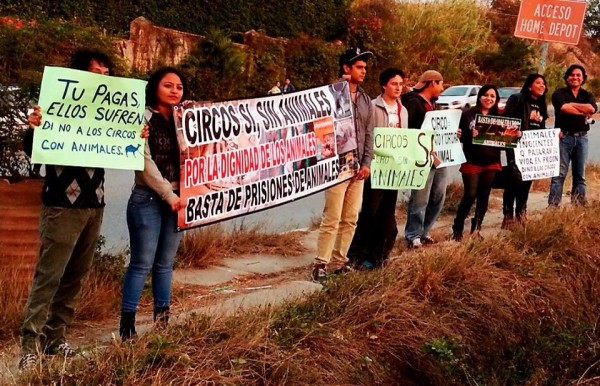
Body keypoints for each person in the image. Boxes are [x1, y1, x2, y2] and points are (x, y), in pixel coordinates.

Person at [19, 50, 113, 370]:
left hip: (93, 205)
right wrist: (34, 128)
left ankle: (55, 340)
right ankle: (28, 346)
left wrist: (133, 136)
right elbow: (34, 151)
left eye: (105, 74)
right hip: (61, 205)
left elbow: (122, 152)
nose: (102, 78)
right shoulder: (56, 108)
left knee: (75, 278)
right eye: (95, 72)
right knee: (49, 277)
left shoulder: (107, 114)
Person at [119, 67, 187, 340]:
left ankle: (162, 321)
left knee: (165, 264)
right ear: (155, 88)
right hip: (148, 198)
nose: (174, 91)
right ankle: (127, 326)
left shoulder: (188, 119)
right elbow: (143, 163)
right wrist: (168, 194)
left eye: (179, 87)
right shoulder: (141, 118)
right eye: (168, 85)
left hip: (179, 199)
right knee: (141, 263)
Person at [310, 48, 374, 282]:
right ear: (346, 68)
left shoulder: (366, 99)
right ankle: (321, 263)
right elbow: (321, 127)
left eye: (365, 68)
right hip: (336, 166)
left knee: (350, 217)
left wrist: (367, 162)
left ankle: (340, 258)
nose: (364, 71)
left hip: (358, 168)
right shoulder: (330, 95)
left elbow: (369, 133)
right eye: (359, 67)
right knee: (333, 216)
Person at [348, 67, 408, 268]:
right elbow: (367, 136)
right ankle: (356, 254)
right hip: (375, 168)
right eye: (394, 83)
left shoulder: (403, 110)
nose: (398, 87)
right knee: (370, 211)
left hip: (393, 170)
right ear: (384, 85)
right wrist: (368, 162)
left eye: (400, 84)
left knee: (387, 213)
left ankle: (378, 256)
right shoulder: (372, 107)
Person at [401, 70, 446, 248]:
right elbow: (410, 130)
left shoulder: (432, 104)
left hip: (438, 156)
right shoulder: (413, 103)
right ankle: (413, 234)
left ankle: (423, 231)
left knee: (438, 196)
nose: (442, 88)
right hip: (422, 158)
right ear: (432, 83)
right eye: (441, 84)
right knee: (420, 198)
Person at [452, 85, 502, 241]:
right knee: (470, 194)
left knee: (484, 195)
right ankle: (458, 227)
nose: (489, 98)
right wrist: (463, 134)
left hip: (492, 160)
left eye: (492, 96)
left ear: (496, 99)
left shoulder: (500, 117)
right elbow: (460, 135)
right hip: (472, 160)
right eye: (486, 95)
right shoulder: (468, 114)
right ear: (480, 96)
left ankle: (476, 228)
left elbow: (507, 138)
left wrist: (516, 135)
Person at [502, 74, 548, 226]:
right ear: (529, 86)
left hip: (532, 148)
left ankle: (521, 212)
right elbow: (506, 121)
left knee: (527, 180)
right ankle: (507, 215)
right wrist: (516, 132)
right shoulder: (517, 99)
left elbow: (542, 127)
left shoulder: (541, 104)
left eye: (544, 84)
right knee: (513, 180)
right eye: (538, 83)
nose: (542, 86)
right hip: (516, 146)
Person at [548, 65, 598, 207]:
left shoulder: (587, 95)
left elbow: (592, 108)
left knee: (580, 175)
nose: (575, 77)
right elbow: (563, 107)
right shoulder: (559, 93)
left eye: (578, 75)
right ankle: (553, 206)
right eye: (572, 75)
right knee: (559, 174)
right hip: (564, 138)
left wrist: (572, 106)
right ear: (567, 77)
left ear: (583, 78)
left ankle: (578, 206)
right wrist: (582, 111)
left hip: (582, 138)